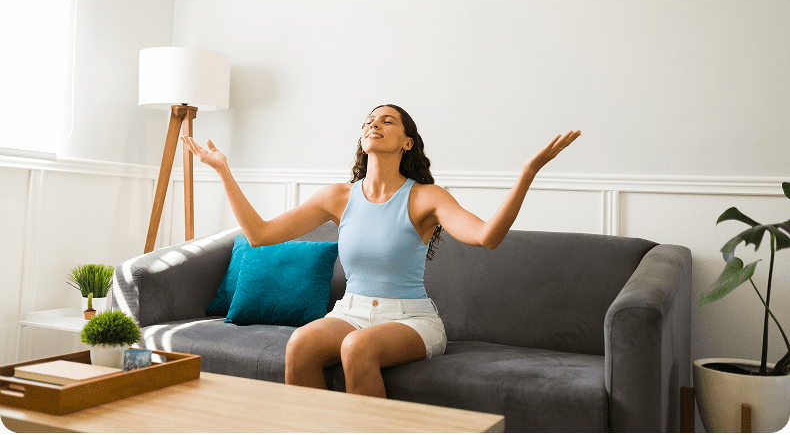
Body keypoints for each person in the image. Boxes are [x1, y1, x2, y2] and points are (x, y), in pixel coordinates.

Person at [181, 104, 580, 399]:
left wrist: (527, 172)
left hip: (409, 319)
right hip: (350, 312)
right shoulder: (338, 197)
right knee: (300, 344)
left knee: (357, 347)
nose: (374, 124)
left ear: (407, 141)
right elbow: (259, 234)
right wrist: (222, 170)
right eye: (369, 121)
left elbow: (487, 236)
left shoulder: (425, 197)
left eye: (387, 120)